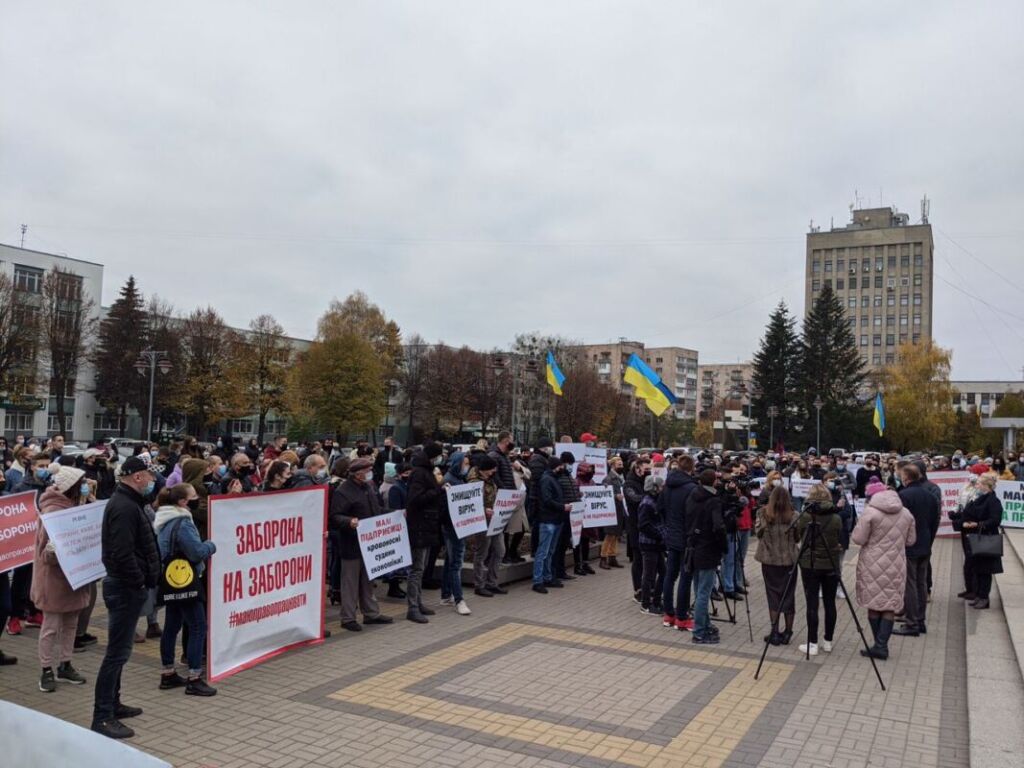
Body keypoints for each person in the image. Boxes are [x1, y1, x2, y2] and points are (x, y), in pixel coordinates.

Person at [92, 456, 161, 740]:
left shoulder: (130, 502)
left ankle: (114, 704)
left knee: (121, 654)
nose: (152, 481)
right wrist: (138, 580)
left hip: (128, 586)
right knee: (116, 654)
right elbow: (121, 552)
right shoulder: (123, 506)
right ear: (137, 477)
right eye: (149, 475)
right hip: (124, 587)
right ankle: (102, 716)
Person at [32, 466, 95, 692]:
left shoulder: (76, 507)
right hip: (55, 580)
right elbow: (45, 555)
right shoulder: (52, 511)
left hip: (74, 578)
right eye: (82, 484)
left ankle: (65, 664)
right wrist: (56, 549)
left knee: (71, 624)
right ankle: (46, 669)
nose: (86, 486)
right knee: (50, 627)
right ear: (72, 487)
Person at [153, 484, 217, 696]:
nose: (197, 499)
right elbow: (196, 552)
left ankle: (168, 673)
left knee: (172, 625)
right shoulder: (182, 522)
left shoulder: (164, 520)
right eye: (193, 496)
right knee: (198, 626)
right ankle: (194, 677)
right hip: (187, 579)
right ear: (182, 502)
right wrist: (211, 545)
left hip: (171, 579)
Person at [328, 458, 395, 631]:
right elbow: (334, 517)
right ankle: (348, 618)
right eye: (368, 470)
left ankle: (371, 614)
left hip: (369, 544)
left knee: (367, 580)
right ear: (358, 474)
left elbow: (377, 511)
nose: (371, 473)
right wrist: (349, 521)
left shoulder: (368, 488)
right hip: (351, 543)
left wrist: (394, 514)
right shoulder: (343, 492)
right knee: (350, 583)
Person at [852, 480, 916, 660]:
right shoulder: (906, 513)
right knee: (889, 604)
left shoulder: (870, 512)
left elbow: (858, 538)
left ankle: (878, 645)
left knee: (873, 603)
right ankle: (882, 645)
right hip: (896, 563)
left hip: (872, 563)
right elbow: (911, 541)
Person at [892, 464, 940, 637]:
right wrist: (929, 540)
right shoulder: (930, 495)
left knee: (909, 584)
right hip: (925, 543)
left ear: (906, 478)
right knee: (921, 583)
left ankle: (912, 622)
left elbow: (898, 523)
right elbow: (935, 520)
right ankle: (920, 620)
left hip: (909, 545)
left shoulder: (904, 495)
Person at [795, 484, 843, 656]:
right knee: (830, 603)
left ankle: (812, 642)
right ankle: (828, 641)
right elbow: (840, 538)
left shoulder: (804, 516)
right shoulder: (836, 517)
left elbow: (797, 536)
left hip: (810, 564)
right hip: (831, 564)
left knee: (812, 603)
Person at [405, 443, 445, 623]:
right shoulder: (420, 473)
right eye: (439, 455)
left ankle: (418, 602)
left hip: (427, 525)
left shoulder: (426, 471)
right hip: (419, 526)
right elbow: (415, 499)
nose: (441, 458)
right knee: (417, 569)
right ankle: (412, 607)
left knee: (421, 568)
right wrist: (436, 490)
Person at [686, 469, 728, 645]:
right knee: (704, 592)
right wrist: (724, 546)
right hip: (708, 549)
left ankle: (704, 623)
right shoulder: (713, 502)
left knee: (699, 589)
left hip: (693, 546)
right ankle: (699, 631)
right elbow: (718, 527)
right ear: (715, 482)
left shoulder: (693, 496)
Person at [755, 485, 799, 646]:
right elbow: (797, 538)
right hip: (789, 560)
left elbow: (758, 533)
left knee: (773, 595)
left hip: (770, 559)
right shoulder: (794, 515)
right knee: (788, 595)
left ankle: (774, 632)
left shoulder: (763, 513)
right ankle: (788, 632)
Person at [661, 455, 697, 630]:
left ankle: (669, 613)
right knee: (685, 576)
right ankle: (682, 616)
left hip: (671, 534)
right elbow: (693, 515)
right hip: (686, 537)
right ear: (691, 469)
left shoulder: (667, 485)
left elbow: (660, 508)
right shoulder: (691, 488)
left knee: (670, 575)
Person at [961, 472, 1005, 609]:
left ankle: (984, 597)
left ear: (987, 486)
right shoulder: (979, 498)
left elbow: (995, 520)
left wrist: (978, 524)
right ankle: (979, 595)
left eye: (980, 483)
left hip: (986, 539)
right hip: (977, 538)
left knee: (985, 571)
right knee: (978, 569)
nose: (977, 485)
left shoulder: (993, 501)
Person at [467, 456, 507, 598]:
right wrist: (484, 510)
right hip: (482, 521)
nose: (494, 471)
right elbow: (471, 503)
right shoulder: (474, 482)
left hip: (495, 520)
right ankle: (479, 585)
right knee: (482, 553)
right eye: (492, 468)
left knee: (500, 550)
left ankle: (492, 582)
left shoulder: (491, 480)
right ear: (484, 469)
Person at [533, 455, 571, 594]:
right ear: (556, 466)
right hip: (548, 520)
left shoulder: (553, 478)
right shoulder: (547, 479)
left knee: (549, 551)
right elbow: (547, 500)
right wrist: (563, 507)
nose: (563, 468)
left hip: (555, 519)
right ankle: (538, 580)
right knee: (543, 552)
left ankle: (547, 577)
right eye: (561, 466)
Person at [637, 474, 666, 614]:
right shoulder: (647, 503)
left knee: (664, 572)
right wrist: (659, 535)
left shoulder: (655, 500)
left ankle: (656, 600)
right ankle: (646, 604)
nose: (662, 489)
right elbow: (643, 525)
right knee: (649, 575)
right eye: (660, 487)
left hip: (657, 543)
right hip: (649, 544)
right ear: (654, 488)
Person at [624, 457, 651, 601]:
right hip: (635, 526)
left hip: (647, 526)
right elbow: (634, 499)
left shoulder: (645, 481)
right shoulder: (629, 483)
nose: (648, 472)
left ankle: (649, 587)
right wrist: (649, 494)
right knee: (638, 559)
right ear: (638, 468)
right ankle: (638, 589)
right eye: (646, 469)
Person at [599, 455, 627, 570]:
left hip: (619, 509)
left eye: (622, 464)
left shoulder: (619, 478)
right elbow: (604, 494)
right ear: (613, 466)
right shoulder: (608, 479)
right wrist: (616, 496)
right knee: (609, 534)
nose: (621, 466)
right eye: (619, 465)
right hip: (611, 510)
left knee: (615, 534)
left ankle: (612, 556)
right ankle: (603, 558)